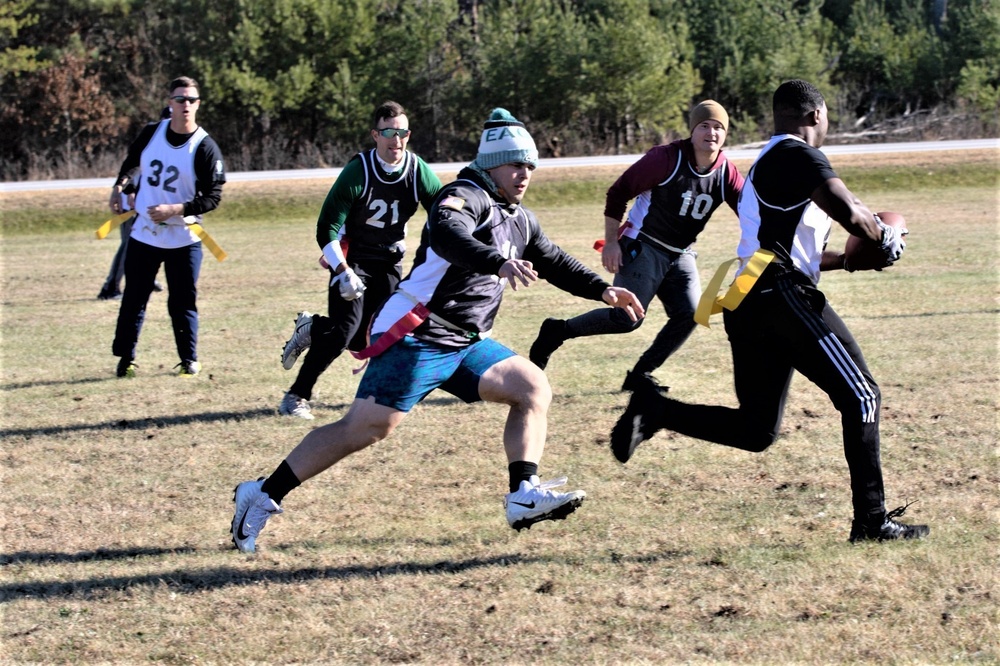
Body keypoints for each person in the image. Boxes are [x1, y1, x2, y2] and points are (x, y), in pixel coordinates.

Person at [231, 108, 646, 553]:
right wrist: (497, 260)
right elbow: (449, 236)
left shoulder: (519, 216)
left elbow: (552, 259)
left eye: (529, 165)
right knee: (365, 429)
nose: (523, 174)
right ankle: (261, 493)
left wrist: (604, 290)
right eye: (514, 164)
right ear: (492, 164)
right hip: (417, 333)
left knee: (531, 387)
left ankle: (523, 494)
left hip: (464, 341)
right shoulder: (464, 195)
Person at [610, 80, 929, 544]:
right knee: (863, 397)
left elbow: (799, 248)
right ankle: (871, 521)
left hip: (748, 292)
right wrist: (886, 238)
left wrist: (850, 259)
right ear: (817, 114)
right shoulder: (796, 155)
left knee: (756, 429)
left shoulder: (771, 162)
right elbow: (850, 211)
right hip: (778, 292)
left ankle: (655, 411)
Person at [528, 101, 744, 392]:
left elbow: (750, 212)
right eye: (704, 125)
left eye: (719, 127)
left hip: (680, 253)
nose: (712, 132)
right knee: (627, 318)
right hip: (644, 244)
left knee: (691, 314)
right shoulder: (665, 159)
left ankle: (640, 375)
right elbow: (618, 193)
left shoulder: (727, 172)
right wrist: (612, 243)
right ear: (692, 131)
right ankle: (558, 330)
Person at [277, 101, 443, 420]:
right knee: (343, 332)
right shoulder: (359, 170)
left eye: (402, 132)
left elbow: (443, 210)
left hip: (390, 260)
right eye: (389, 132)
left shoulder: (417, 169)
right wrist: (342, 270)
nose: (396, 140)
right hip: (354, 258)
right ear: (375, 135)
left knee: (371, 335)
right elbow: (326, 226)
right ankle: (296, 396)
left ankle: (314, 329)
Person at [110, 77, 226, 378]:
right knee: (134, 298)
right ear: (169, 103)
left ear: (198, 104)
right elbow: (131, 162)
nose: (185, 105)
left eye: (191, 100)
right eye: (179, 99)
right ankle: (126, 359)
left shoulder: (205, 147)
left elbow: (213, 197)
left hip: (184, 237)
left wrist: (176, 209)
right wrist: (120, 187)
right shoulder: (151, 133)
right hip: (145, 233)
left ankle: (188, 359)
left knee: (183, 301)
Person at [98, 108, 172, 301]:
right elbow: (131, 166)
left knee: (154, 241)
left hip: (151, 204)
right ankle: (110, 287)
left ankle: (148, 278)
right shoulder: (152, 139)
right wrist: (129, 191)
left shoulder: (177, 144)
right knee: (129, 245)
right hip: (132, 202)